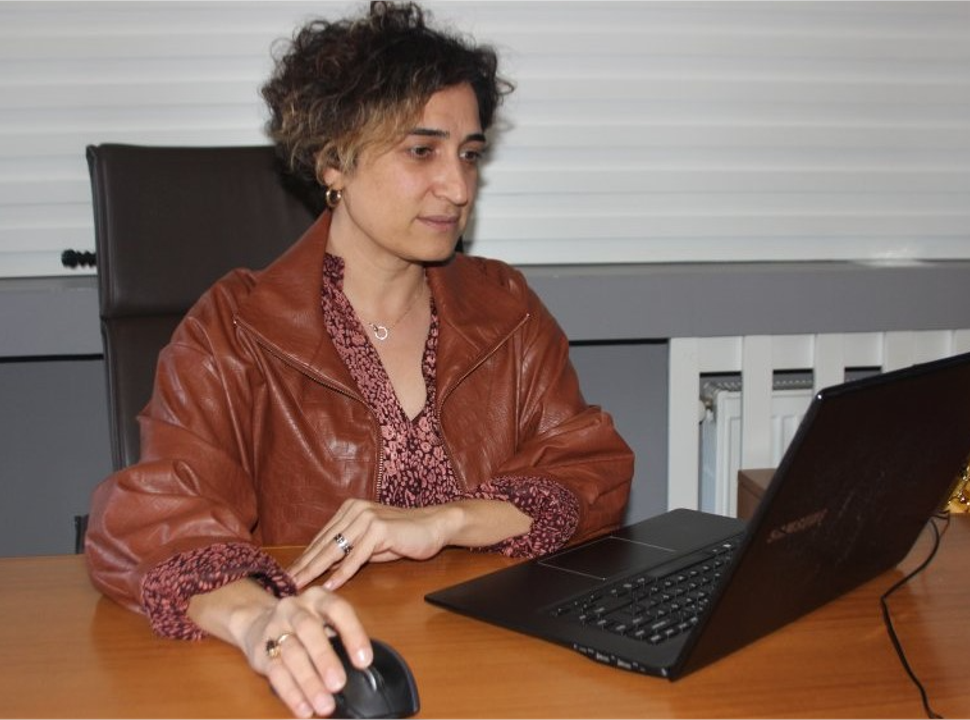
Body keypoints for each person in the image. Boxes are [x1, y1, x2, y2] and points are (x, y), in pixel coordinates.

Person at [84, 1, 634, 717]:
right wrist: (260, 623)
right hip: (317, 679)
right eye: (422, 151)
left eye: (469, 154)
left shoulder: (505, 308)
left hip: (493, 666)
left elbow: (591, 469)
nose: (458, 187)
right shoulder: (236, 328)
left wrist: (449, 520)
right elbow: (151, 520)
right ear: (333, 161)